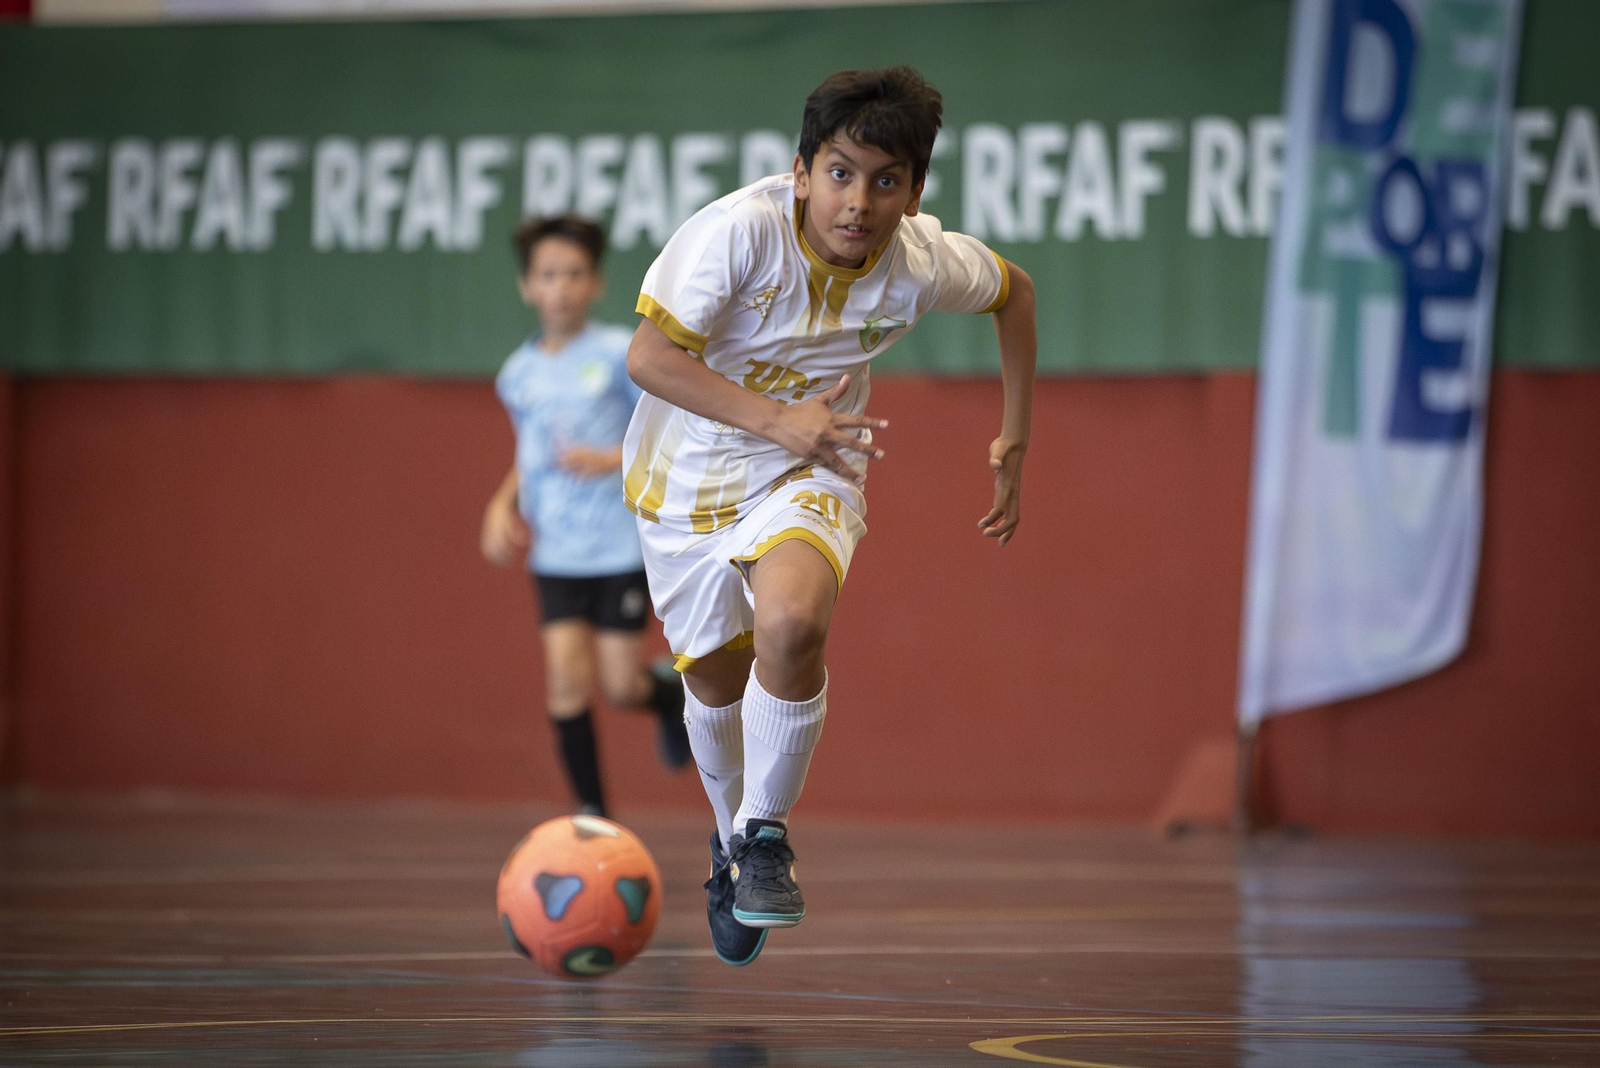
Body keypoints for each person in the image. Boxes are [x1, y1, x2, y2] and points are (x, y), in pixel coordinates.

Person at [622, 67, 1037, 965]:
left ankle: (765, 838)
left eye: (887, 180)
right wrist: (778, 418)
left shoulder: (919, 261)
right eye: (841, 173)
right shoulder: (735, 235)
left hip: (809, 470)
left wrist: (1013, 440)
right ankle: (729, 840)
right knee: (714, 687)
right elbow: (649, 357)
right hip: (685, 486)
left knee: (795, 621)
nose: (859, 201)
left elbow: (1016, 293)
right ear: (802, 171)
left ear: (916, 192)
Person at [482, 214, 691, 820]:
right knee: (566, 686)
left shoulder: (620, 355)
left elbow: (665, 429)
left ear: (596, 283)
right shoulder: (517, 376)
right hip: (557, 554)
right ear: (527, 287)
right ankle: (594, 820)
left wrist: (612, 458)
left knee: (621, 686)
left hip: (619, 547)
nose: (562, 287)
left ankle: (665, 698)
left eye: (575, 274)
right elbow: (533, 458)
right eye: (548, 275)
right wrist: (501, 503)